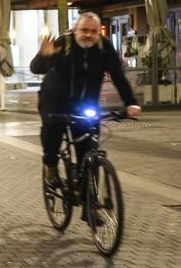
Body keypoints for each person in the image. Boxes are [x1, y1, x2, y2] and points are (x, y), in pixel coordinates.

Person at [30, 12, 142, 188]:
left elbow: (118, 76)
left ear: (99, 33)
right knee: (53, 129)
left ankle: (90, 205)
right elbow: (36, 68)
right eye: (84, 30)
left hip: (84, 103)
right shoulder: (63, 43)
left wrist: (130, 102)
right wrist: (44, 56)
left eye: (93, 31)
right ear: (75, 30)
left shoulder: (104, 49)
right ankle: (51, 167)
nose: (88, 35)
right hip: (55, 98)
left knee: (89, 150)